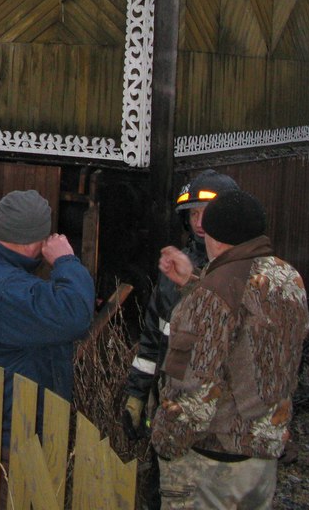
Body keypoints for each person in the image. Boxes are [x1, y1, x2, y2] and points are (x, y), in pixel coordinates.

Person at [151, 187, 309, 510]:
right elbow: (246, 324)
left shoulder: (212, 297)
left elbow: (194, 391)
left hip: (213, 467)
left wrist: (163, 442)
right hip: (262, 461)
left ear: (215, 237)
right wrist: (195, 281)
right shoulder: (286, 278)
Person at [0, 188, 95, 448]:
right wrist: (65, 260)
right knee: (3, 488)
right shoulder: (4, 287)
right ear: (27, 241)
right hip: (7, 429)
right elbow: (75, 314)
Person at [123, 170, 236, 508]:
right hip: (171, 412)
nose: (200, 222)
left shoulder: (247, 274)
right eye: (194, 214)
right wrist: (136, 394)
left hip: (221, 423)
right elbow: (152, 339)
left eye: (208, 213)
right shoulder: (174, 270)